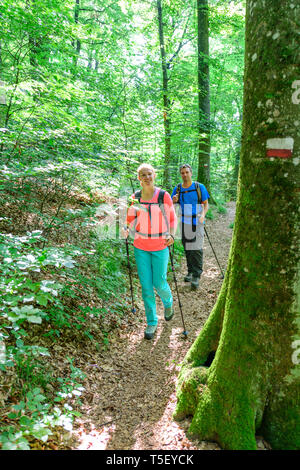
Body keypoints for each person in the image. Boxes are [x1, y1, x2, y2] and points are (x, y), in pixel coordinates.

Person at [124, 164, 177, 340]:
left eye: (149, 174)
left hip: (160, 245)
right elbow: (129, 219)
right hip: (140, 246)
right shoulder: (135, 197)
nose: (147, 177)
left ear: (154, 175)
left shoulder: (164, 196)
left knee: (159, 281)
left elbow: (172, 218)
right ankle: (152, 322)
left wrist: (172, 234)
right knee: (146, 286)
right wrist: (126, 228)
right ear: (139, 178)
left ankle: (168, 303)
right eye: (143, 175)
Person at [171, 164, 210, 290]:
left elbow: (205, 204)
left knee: (196, 248)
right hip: (184, 221)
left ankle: (196, 275)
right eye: (182, 173)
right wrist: (174, 200)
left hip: (197, 221)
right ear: (180, 174)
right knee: (188, 248)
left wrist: (203, 216)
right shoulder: (178, 188)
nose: (185, 175)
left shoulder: (199, 187)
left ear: (191, 173)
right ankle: (190, 271)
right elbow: (171, 204)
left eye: (187, 172)